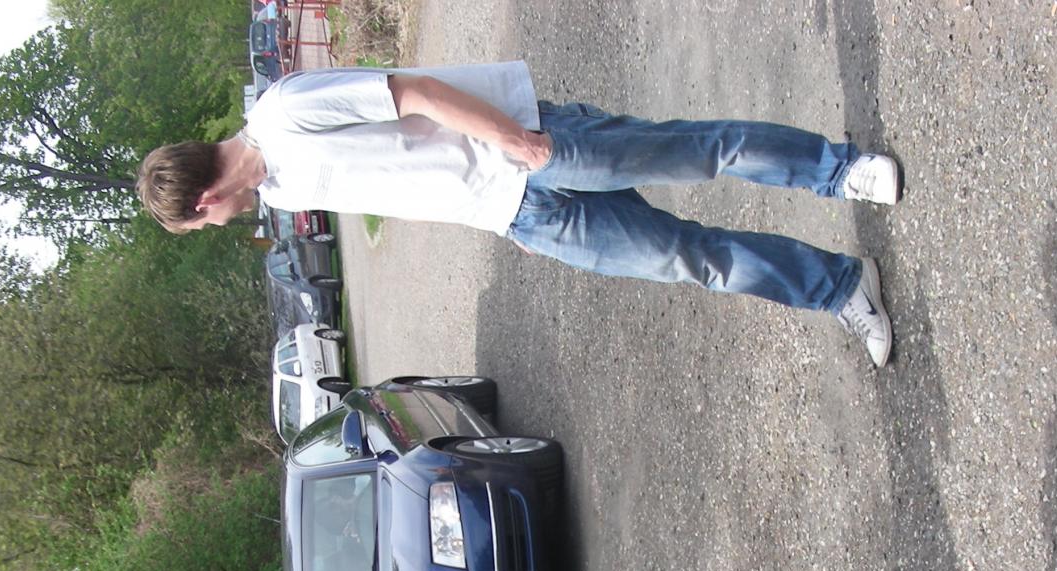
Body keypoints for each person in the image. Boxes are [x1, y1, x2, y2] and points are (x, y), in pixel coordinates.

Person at [136, 62, 899, 366]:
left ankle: (842, 170)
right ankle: (839, 287)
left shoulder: (283, 113)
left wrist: (512, 140)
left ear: (203, 200)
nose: (218, 226)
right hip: (524, 215)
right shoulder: (281, 192)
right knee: (694, 259)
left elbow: (411, 93)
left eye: (202, 223)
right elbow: (406, 184)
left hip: (536, 147)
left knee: (699, 151)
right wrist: (500, 223)